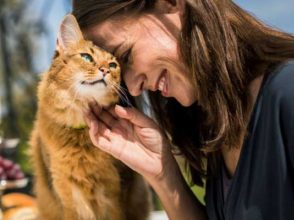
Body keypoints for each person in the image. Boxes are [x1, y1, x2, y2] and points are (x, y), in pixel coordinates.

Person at [74, 0, 294, 219]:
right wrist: (162, 174)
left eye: (126, 56)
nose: (133, 88)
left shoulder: (287, 93)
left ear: (170, 4)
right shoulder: (218, 129)